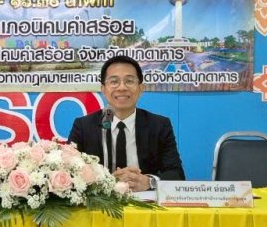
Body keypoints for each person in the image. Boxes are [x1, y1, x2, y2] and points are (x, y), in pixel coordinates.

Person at [68, 55, 185, 191]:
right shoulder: (83, 127)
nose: (122, 87)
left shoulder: (159, 125)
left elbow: (176, 175)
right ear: (103, 89)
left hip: (144, 201)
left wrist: (149, 182)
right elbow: (70, 173)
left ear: (141, 88)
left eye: (129, 81)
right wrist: (102, 181)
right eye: (114, 81)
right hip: (101, 201)